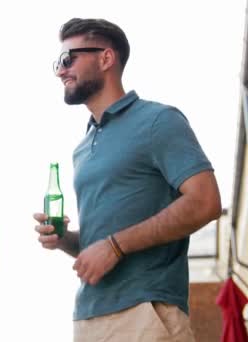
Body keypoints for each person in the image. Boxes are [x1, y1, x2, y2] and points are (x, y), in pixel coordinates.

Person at [34, 18, 222, 342]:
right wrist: (65, 238)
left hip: (145, 315)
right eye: (58, 63)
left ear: (106, 58)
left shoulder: (158, 121)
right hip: (89, 317)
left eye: (68, 59)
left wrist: (116, 245)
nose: (60, 71)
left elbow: (206, 202)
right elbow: (100, 244)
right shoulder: (82, 147)